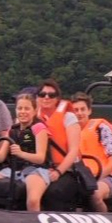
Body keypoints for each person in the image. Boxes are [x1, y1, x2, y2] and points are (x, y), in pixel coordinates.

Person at [34, 79, 94, 211]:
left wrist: (58, 171)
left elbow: (73, 151)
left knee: (54, 192)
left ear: (57, 98)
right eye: (42, 94)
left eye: (51, 95)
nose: (46, 97)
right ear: (37, 97)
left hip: (67, 170)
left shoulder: (68, 118)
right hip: (40, 168)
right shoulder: (33, 117)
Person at [0, 93, 50, 211]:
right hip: (14, 169)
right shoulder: (12, 130)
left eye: (27, 108)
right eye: (20, 108)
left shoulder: (39, 128)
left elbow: (40, 158)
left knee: (33, 200)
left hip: (36, 169)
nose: (23, 112)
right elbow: (0, 158)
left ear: (34, 111)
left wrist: (21, 153)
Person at [70, 92, 112, 212]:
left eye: (82, 109)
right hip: (81, 177)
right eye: (76, 110)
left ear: (89, 111)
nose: (79, 113)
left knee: (95, 195)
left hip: (106, 177)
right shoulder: (69, 132)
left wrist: (95, 179)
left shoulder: (101, 128)